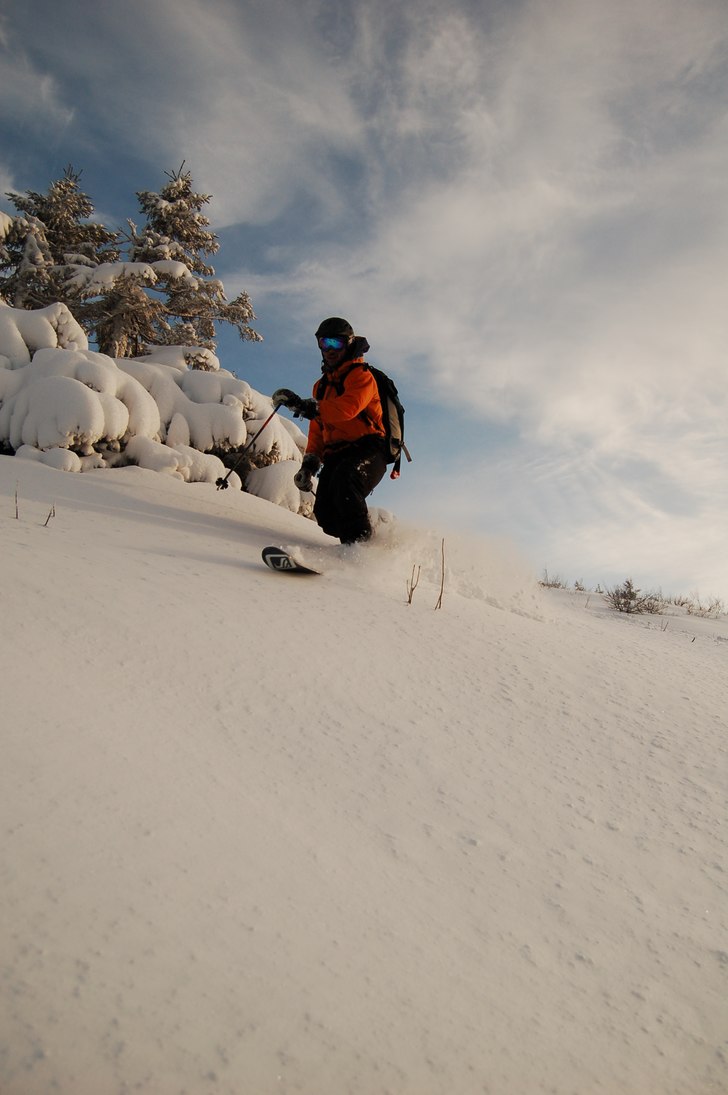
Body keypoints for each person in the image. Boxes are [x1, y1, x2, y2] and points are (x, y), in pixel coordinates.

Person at [272, 317, 388, 544]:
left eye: (336, 343)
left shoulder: (362, 376)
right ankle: (366, 541)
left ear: (348, 343)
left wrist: (305, 406)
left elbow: (348, 409)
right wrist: (310, 463)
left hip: (370, 447)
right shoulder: (321, 386)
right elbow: (318, 426)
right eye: (324, 343)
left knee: (347, 480)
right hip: (338, 453)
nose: (330, 350)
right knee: (326, 514)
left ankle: (360, 549)